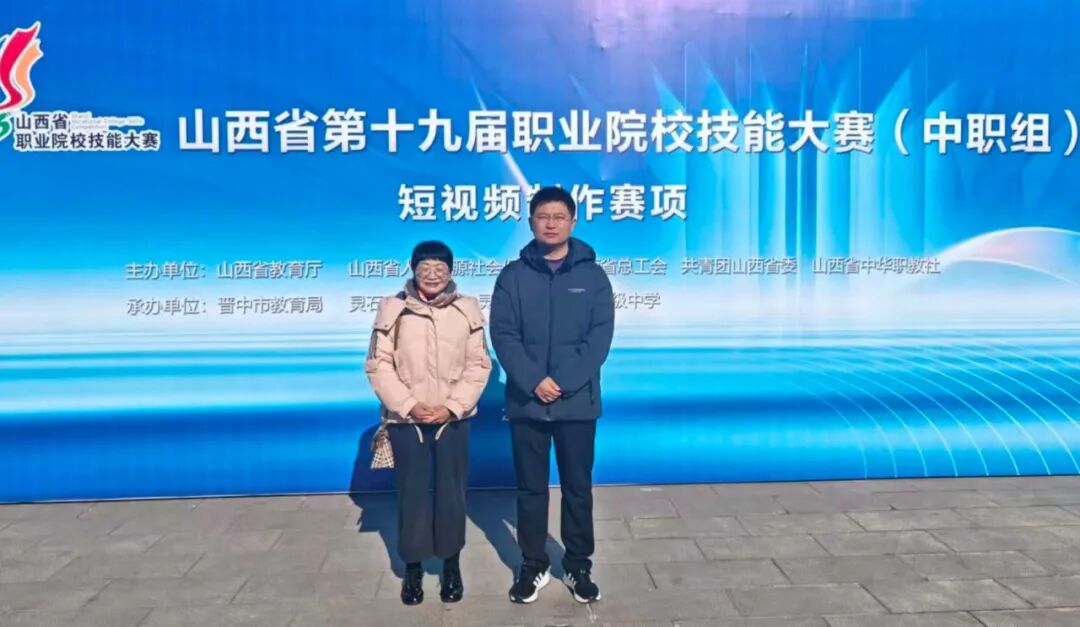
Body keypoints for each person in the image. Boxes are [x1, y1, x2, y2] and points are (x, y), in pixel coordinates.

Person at [490, 186, 615, 604]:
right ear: (530, 222)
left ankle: (578, 564)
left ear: (573, 222)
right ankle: (533, 563)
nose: (550, 223)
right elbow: (503, 334)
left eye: (559, 216)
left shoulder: (593, 277)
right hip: (527, 403)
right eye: (543, 216)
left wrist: (562, 381)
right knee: (530, 489)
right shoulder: (512, 276)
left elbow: (599, 338)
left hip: (576, 402)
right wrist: (533, 381)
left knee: (578, 488)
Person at [365, 240, 492, 605]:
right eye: (425, 268)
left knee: (452, 492)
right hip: (408, 420)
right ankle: (413, 567)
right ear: (413, 270)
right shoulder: (392, 309)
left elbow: (478, 364)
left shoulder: (467, 309)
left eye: (440, 268)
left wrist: (452, 406)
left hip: (453, 419)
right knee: (412, 494)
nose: (433, 275)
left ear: (451, 271)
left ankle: (451, 564)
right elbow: (378, 365)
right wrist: (409, 406)